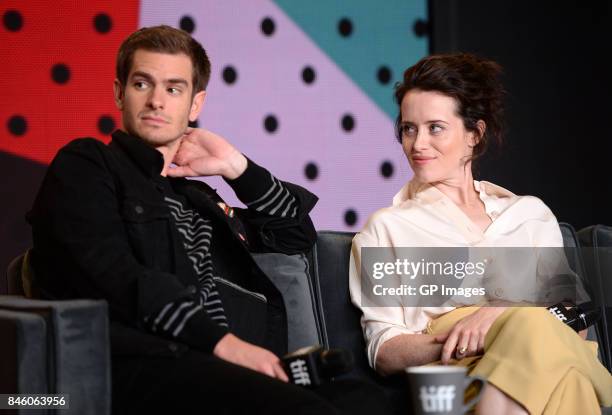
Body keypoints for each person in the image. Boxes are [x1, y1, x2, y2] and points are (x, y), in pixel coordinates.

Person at [27, 25, 390, 415]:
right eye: (142, 84)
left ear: (194, 105)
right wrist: (227, 346)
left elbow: (294, 236)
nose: (156, 101)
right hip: (150, 362)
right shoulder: (87, 165)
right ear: (119, 92)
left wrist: (237, 167)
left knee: (377, 403)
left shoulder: (199, 199)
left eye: (173, 88)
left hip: (230, 367)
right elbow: (120, 278)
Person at [349, 53, 612, 414]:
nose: (418, 144)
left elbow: (575, 324)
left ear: (475, 133)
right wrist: (487, 334)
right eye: (409, 128)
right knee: (566, 367)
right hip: (455, 380)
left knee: (544, 343)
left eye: (435, 127)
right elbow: (384, 351)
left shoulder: (530, 215)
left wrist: (504, 315)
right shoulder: (386, 228)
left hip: (543, 357)